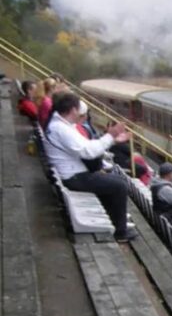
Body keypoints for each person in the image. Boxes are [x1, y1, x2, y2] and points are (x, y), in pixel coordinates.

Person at [43, 92, 136, 242]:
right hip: (74, 177)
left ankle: (115, 221)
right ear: (73, 110)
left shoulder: (61, 125)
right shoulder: (61, 129)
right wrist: (110, 135)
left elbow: (87, 146)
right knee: (120, 185)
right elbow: (88, 152)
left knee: (114, 181)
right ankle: (121, 232)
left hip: (73, 174)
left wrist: (112, 140)